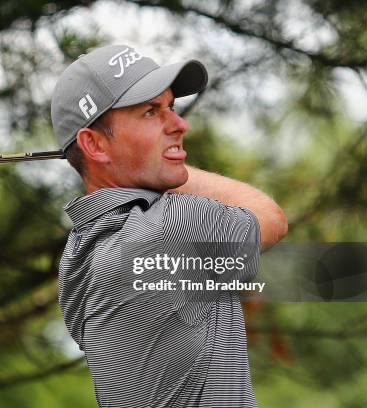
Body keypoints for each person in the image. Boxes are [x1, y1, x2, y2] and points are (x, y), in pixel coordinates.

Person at [50, 44, 288, 408]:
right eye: (150, 112)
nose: (180, 124)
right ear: (94, 144)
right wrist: (170, 163)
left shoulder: (77, 257)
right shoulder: (170, 226)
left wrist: (151, 160)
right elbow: (270, 219)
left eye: (171, 107)